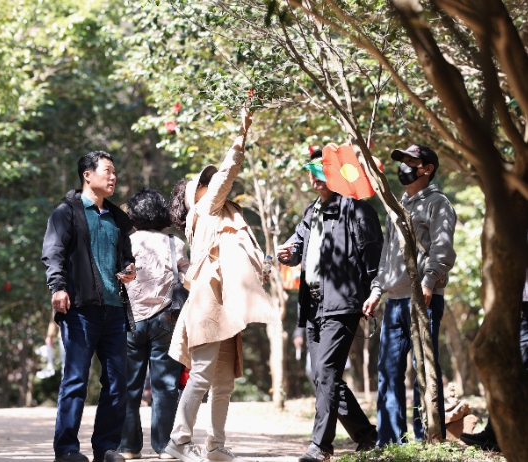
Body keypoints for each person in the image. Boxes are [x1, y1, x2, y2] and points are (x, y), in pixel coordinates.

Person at [164, 108, 277, 462]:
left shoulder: (222, 215)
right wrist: (242, 132)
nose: (213, 184)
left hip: (225, 303)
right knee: (201, 375)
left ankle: (215, 445)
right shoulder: (205, 210)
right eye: (206, 183)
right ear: (197, 195)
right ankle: (179, 441)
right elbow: (227, 171)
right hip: (207, 301)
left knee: (223, 381)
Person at [277, 149, 382, 462]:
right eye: (312, 171)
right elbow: (297, 247)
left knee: (325, 373)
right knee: (325, 376)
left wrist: (374, 292)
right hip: (312, 305)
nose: (315, 177)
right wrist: (288, 254)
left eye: (322, 170)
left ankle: (321, 446)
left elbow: (373, 259)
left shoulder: (358, 210)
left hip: (342, 304)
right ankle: (367, 435)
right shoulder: (311, 211)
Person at [42, 151, 137, 462]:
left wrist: (128, 269)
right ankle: (67, 449)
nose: (113, 177)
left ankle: (106, 447)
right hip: (80, 309)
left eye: (114, 172)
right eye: (107, 171)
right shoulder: (66, 213)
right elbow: (53, 253)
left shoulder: (117, 218)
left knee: (116, 382)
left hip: (115, 309)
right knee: (75, 380)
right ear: (87, 175)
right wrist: (58, 287)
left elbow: (125, 257)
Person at [362, 144, 456, 445]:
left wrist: (428, 282)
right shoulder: (396, 205)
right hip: (394, 301)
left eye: (410, 161)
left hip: (423, 298)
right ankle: (390, 441)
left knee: (424, 368)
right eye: (401, 160)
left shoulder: (438, 203)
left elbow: (442, 249)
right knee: (388, 370)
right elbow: (388, 254)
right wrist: (377, 289)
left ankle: (428, 438)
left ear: (427, 169)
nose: (403, 166)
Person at [118, 188, 189, 460]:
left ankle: (128, 447)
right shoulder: (175, 243)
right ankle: (164, 447)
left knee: (128, 385)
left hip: (130, 320)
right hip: (166, 319)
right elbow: (187, 278)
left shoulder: (126, 242)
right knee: (165, 386)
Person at [459, 265, 528, 452]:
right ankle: (495, 433)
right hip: (519, 305)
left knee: (514, 370)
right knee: (507, 368)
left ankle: (496, 433)